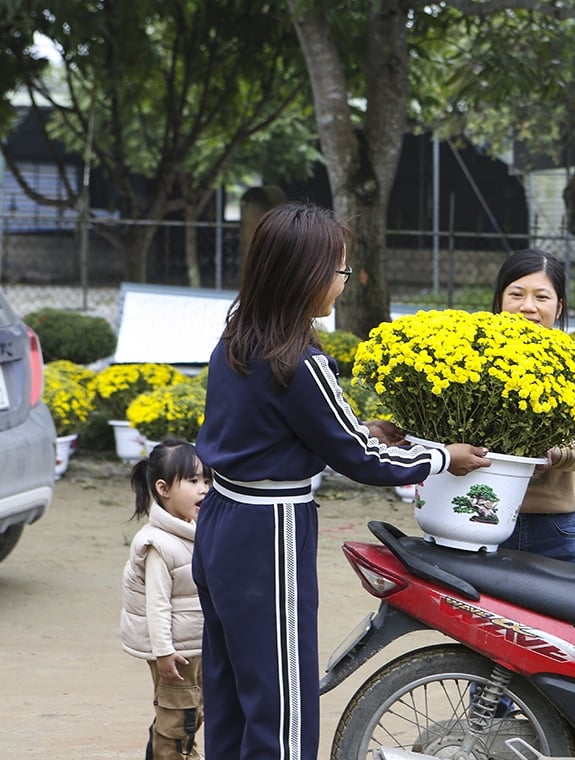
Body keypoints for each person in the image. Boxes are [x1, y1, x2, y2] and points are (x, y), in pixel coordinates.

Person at [192, 200, 490, 760]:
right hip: (268, 529)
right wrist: (443, 457)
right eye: (339, 270)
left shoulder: (234, 342)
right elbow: (361, 460)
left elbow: (272, 432)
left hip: (221, 522)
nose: (343, 282)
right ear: (303, 276)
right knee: (282, 700)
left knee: (232, 684)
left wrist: (361, 428)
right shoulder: (300, 360)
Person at [492, 249, 575, 565]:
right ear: (500, 299)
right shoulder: (468, 357)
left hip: (556, 526)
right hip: (481, 514)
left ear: (559, 307)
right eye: (516, 294)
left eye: (541, 297)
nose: (528, 307)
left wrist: (554, 455)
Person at [120, 439, 212, 760]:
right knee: (179, 718)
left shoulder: (194, 529)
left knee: (192, 712)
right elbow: (157, 604)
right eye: (193, 481)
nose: (203, 489)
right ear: (163, 488)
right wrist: (164, 653)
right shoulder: (157, 544)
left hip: (194, 644)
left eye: (206, 480)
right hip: (175, 653)